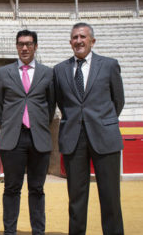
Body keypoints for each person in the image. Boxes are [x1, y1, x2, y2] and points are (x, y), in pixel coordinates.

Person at [53, 22, 125, 235]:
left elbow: (117, 100)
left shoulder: (110, 65)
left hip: (105, 136)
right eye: (75, 37)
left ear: (92, 41)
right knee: (76, 199)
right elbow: (59, 101)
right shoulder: (59, 70)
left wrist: (102, 122)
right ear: (70, 42)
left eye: (83, 37)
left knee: (110, 197)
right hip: (73, 138)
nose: (78, 41)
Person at [0, 30, 55, 235]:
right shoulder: (3, 73)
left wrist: (38, 125)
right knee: (11, 188)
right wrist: (10, 127)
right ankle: (9, 232)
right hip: (13, 138)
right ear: (16, 46)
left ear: (35, 46)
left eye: (28, 44)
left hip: (39, 137)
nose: (24, 48)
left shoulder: (47, 73)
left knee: (37, 189)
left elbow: (51, 105)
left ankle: (39, 231)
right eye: (20, 44)